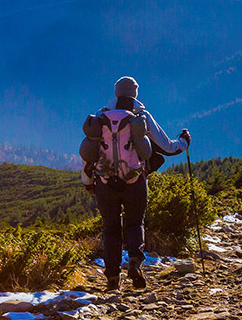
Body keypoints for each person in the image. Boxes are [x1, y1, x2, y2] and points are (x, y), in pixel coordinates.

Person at [81, 76, 190, 291]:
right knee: (135, 223)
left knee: (111, 228)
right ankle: (134, 263)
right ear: (135, 93)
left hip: (105, 181)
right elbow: (167, 147)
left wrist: (88, 182)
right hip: (135, 180)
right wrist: (184, 141)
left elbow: (88, 154)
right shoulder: (142, 116)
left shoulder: (100, 117)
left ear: (116, 92)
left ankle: (112, 276)